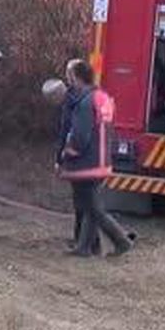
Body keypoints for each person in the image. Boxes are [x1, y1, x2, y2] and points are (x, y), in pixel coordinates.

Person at [56, 59, 135, 258]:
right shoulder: (103, 97)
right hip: (102, 161)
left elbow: (80, 137)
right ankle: (84, 248)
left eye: (69, 75)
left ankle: (121, 241)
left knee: (94, 208)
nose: (68, 80)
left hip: (87, 163)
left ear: (76, 77)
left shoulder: (85, 103)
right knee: (90, 207)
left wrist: (67, 153)